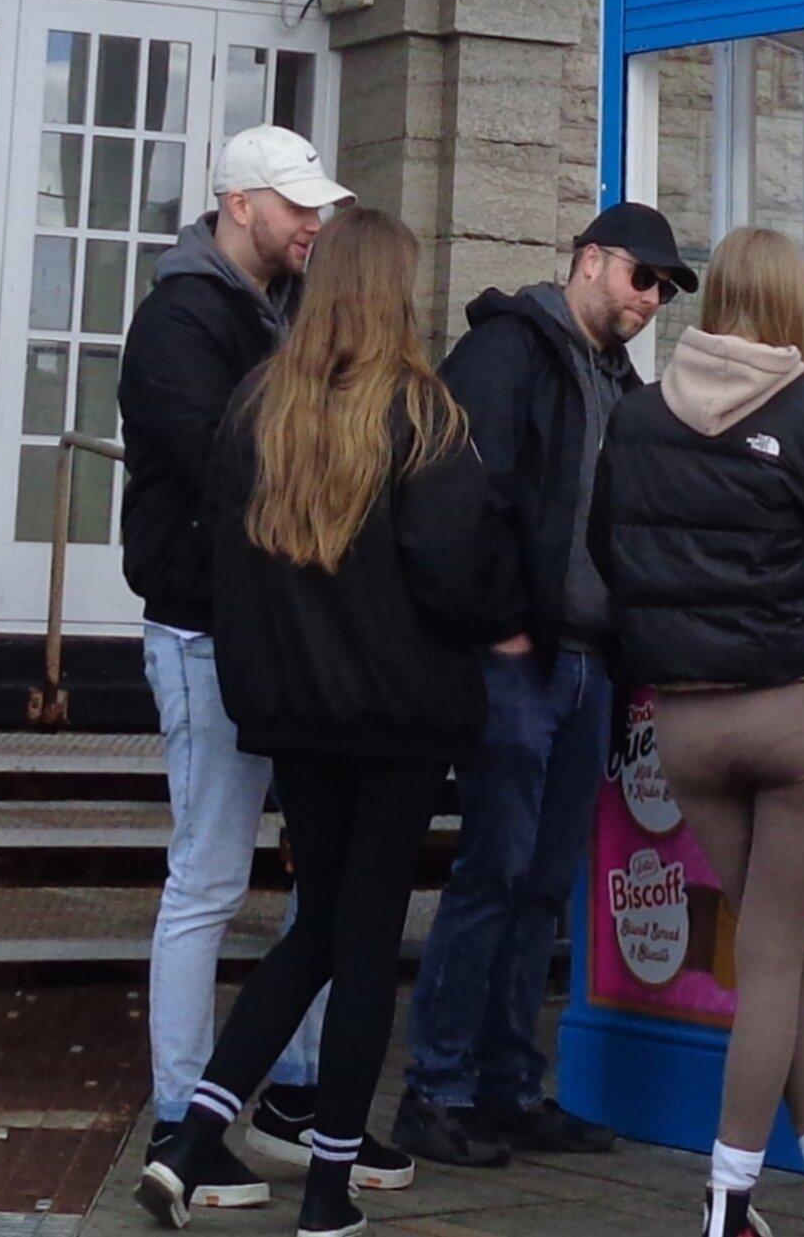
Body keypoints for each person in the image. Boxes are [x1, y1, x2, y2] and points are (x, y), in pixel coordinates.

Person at [142, 207, 520, 1236]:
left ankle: (189, 1138)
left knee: (320, 926)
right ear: (391, 292)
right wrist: (505, 608)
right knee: (362, 946)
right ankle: (324, 1192)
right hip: (395, 715)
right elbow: (459, 575)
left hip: (293, 709)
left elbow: (227, 551)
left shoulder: (260, 406)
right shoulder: (422, 413)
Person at [596, 225, 804, 1237]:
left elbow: (609, 548)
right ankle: (727, 1200)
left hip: (686, 720)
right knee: (774, 953)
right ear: (792, 305)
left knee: (784, 946)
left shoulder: (639, 417)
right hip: (794, 713)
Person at [398, 200, 696, 1168]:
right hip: (518, 657)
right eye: (640, 276)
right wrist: (500, 622)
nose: (651, 298)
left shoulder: (616, 377)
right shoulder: (508, 351)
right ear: (590, 260)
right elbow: (449, 496)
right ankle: (436, 1088)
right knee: (493, 871)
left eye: (664, 287)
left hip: (588, 658)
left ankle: (508, 1083)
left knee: (539, 884)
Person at [118, 122, 345, 1176]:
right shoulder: (178, 318)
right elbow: (228, 460)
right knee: (207, 873)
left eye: (317, 203)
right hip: (205, 626)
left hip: (281, 627)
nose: (313, 219)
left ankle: (291, 1090)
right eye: (295, 201)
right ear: (238, 203)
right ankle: (179, 1109)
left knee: (316, 873)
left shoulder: (281, 313)